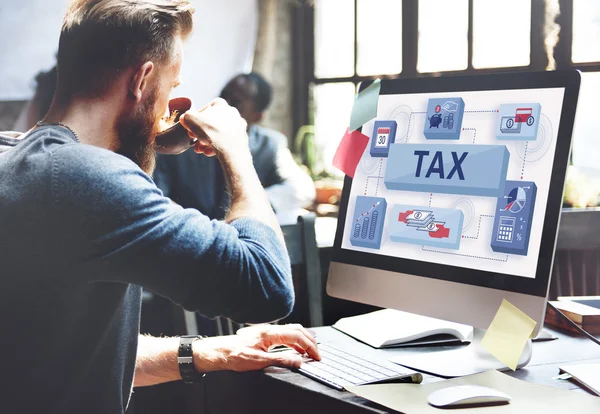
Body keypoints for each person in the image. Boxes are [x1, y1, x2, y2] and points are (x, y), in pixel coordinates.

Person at [0, 1, 319, 413]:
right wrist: (237, 151)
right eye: (171, 87)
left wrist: (215, 351)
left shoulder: (16, 156)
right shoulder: (86, 178)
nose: (168, 106)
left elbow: (65, 354)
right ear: (142, 79)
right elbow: (267, 286)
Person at [153, 72, 315, 223]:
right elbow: (157, 196)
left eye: (236, 102)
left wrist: (251, 205)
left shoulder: (270, 145)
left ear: (258, 116)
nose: (224, 104)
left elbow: (302, 188)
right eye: (223, 95)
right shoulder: (181, 141)